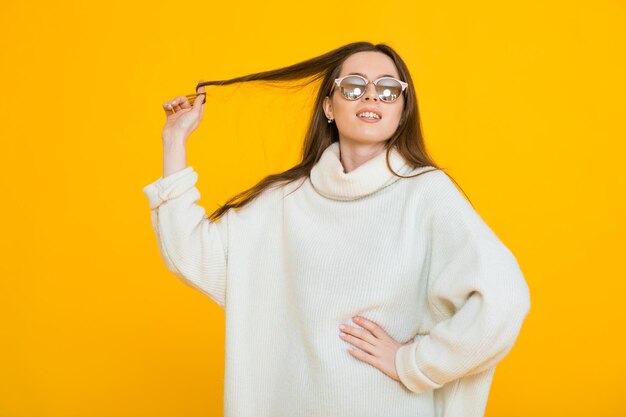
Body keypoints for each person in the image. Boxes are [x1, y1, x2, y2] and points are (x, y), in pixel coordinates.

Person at [142, 41, 531, 417]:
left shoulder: (426, 193)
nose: (372, 97)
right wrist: (174, 141)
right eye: (354, 86)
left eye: (388, 90)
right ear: (329, 105)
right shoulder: (285, 200)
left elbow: (504, 299)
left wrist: (413, 362)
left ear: (402, 109)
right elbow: (191, 254)